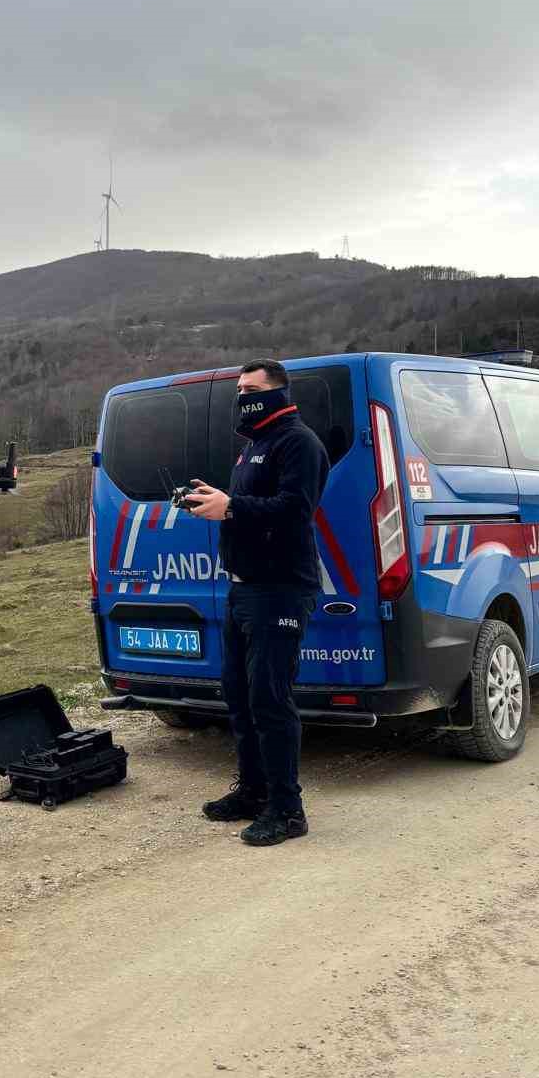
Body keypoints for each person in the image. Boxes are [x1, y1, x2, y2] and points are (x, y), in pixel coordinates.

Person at [184, 360, 330, 846]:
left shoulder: (298, 442)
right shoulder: (253, 449)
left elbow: (296, 510)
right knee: (240, 696)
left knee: (271, 699)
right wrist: (218, 501)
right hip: (243, 589)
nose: (242, 397)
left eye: (251, 389)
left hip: (281, 588)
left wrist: (232, 506)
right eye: (239, 389)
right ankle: (252, 792)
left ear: (278, 392)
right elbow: (247, 510)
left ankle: (288, 811)